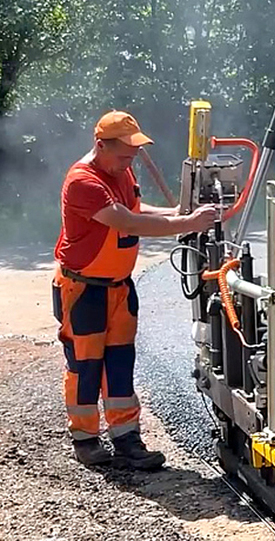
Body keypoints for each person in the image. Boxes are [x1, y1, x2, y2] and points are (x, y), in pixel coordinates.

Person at [52, 110, 215, 469]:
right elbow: (125, 221)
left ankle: (126, 439)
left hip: (118, 289)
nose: (131, 161)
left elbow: (137, 209)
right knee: (86, 365)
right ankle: (85, 439)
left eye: (133, 154)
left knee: (121, 364)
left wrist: (172, 211)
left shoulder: (119, 171)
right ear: (100, 145)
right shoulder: (83, 182)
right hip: (84, 290)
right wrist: (184, 222)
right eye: (124, 154)